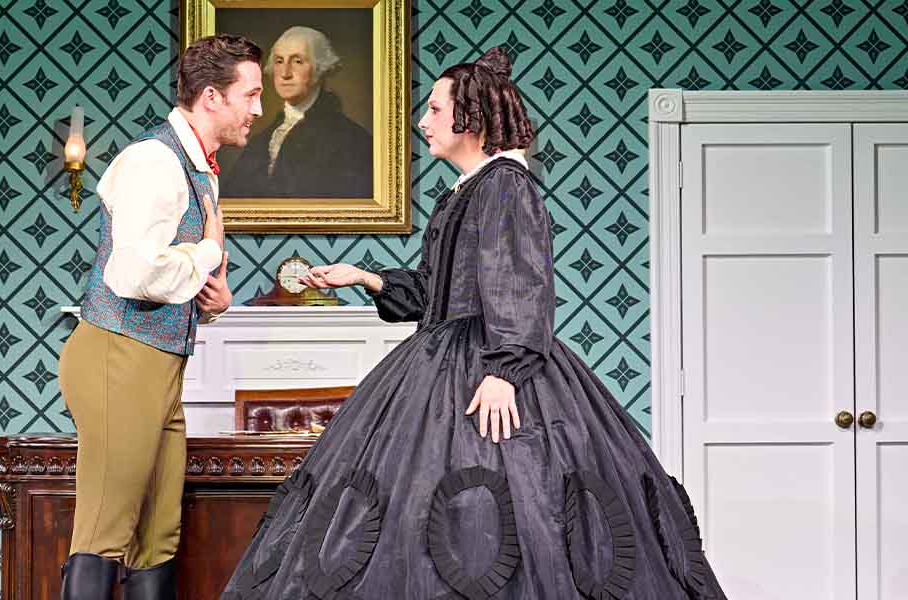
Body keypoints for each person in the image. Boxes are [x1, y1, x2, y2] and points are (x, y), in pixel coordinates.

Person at [221, 47, 729, 599]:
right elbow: (434, 292)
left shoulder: (506, 184)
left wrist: (505, 371)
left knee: (514, 508)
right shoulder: (471, 189)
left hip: (489, 364)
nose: (422, 122)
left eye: (435, 110)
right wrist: (363, 277)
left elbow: (520, 285)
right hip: (446, 354)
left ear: (472, 118)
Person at [56, 34, 263, 600]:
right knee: (104, 531)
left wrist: (211, 299)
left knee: (157, 536)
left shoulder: (201, 168)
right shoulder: (154, 160)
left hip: (158, 361)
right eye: (251, 94)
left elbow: (171, 273)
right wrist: (207, 253)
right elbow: (132, 274)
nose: (258, 109)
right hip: (117, 356)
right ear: (213, 96)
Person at [224, 26, 372, 198]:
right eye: (279, 61)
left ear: (320, 68)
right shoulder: (261, 140)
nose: (285, 73)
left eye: (297, 61)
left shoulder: (352, 140)